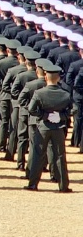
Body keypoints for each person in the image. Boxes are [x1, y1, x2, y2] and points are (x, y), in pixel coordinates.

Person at [26, 60, 73, 192]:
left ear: (45, 77)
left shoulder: (39, 93)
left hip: (43, 127)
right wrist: (61, 116)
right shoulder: (65, 94)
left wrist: (45, 116)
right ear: (58, 78)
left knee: (37, 155)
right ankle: (63, 185)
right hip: (58, 127)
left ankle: (33, 183)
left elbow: (31, 109)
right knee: (60, 156)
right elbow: (72, 110)